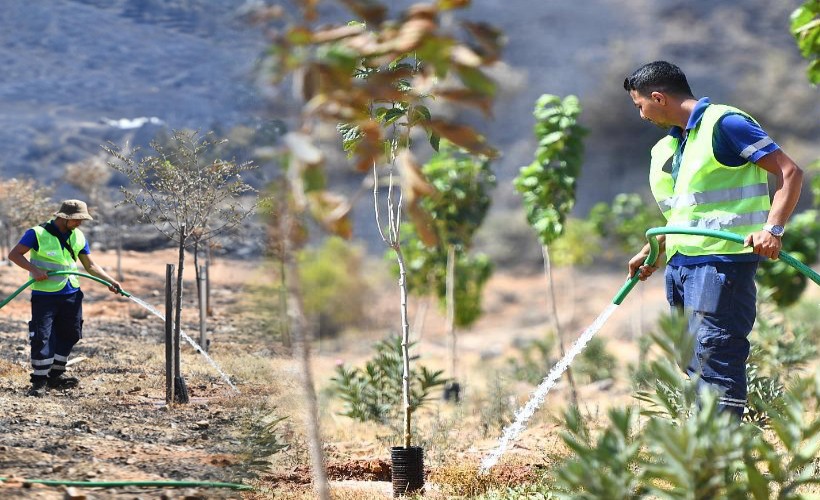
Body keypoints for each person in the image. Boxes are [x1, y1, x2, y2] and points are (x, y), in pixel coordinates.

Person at [623, 61, 804, 418]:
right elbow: (687, 212)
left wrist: (773, 229)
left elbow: (789, 171)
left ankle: (722, 457)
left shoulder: (724, 124)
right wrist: (654, 249)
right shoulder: (675, 144)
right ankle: (705, 450)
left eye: (639, 105)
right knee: (691, 358)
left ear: (657, 98)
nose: (640, 114)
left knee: (714, 353)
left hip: (721, 262)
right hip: (681, 263)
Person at [8, 199, 122, 397]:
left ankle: (56, 375)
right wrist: (34, 270)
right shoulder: (37, 233)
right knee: (42, 336)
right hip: (45, 295)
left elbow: (90, 266)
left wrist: (110, 281)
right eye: (77, 219)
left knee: (71, 333)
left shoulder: (78, 236)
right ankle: (40, 381)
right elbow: (15, 254)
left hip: (71, 293)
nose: (80, 223)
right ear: (64, 217)